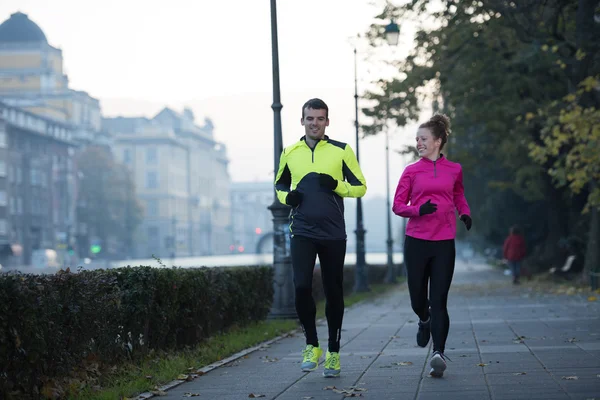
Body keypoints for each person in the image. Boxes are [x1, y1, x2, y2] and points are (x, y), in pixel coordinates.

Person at [274, 98, 367, 378]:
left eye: (320, 118)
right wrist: (287, 197)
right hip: (301, 230)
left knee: (333, 290)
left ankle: (334, 352)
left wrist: (336, 185)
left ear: (327, 122)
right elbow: (280, 183)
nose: (315, 123)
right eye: (310, 118)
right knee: (301, 286)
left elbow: (360, 187)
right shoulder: (290, 152)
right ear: (302, 121)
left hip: (333, 233)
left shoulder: (341, 151)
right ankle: (312, 345)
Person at [392, 114, 471, 378]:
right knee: (418, 299)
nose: (419, 143)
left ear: (438, 141)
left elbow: (458, 193)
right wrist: (417, 210)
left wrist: (465, 212)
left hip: (444, 242)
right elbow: (398, 205)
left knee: (439, 300)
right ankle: (423, 320)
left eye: (423, 139)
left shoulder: (454, 169)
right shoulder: (411, 171)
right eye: (417, 139)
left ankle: (438, 353)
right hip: (416, 241)